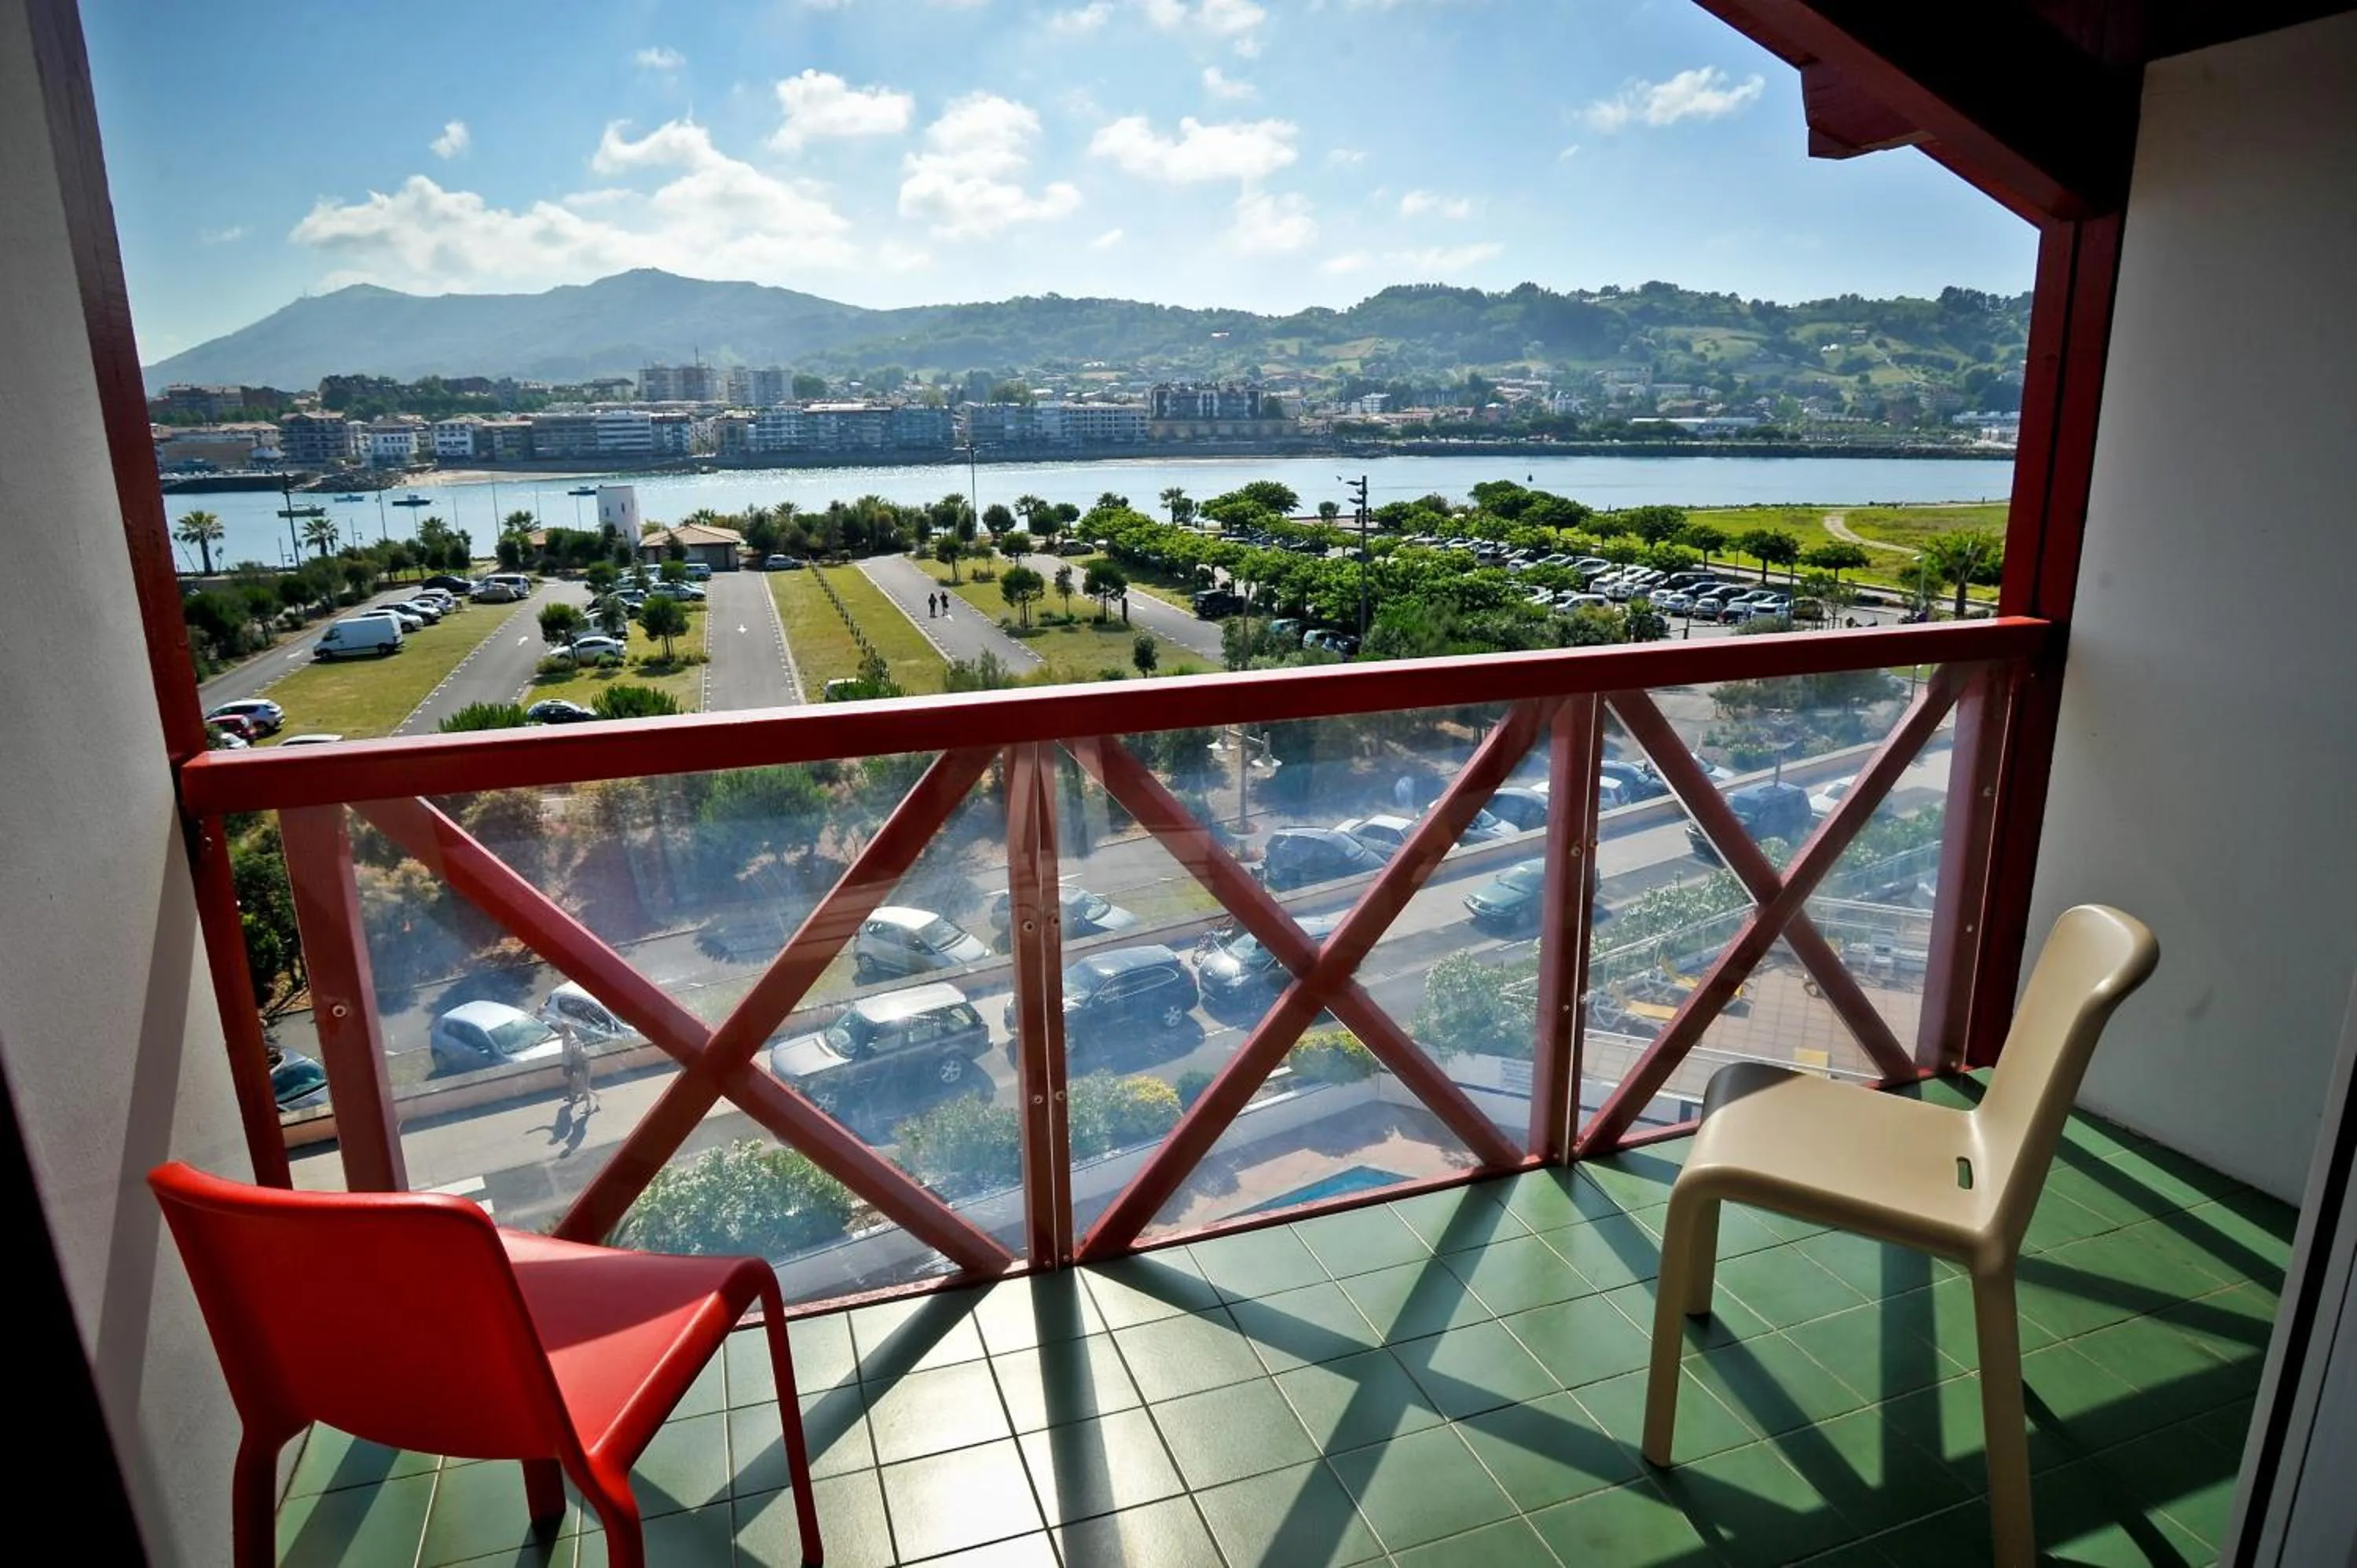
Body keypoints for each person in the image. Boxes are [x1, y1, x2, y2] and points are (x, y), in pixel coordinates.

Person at [559, 1020, 597, 1118]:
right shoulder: (570, 1039)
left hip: (581, 1065)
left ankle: (590, 1105)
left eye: (563, 1028)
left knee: (583, 1087)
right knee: (583, 1086)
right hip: (581, 1065)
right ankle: (591, 1103)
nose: (562, 1030)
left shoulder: (573, 1041)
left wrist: (578, 1069)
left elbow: (578, 1056)